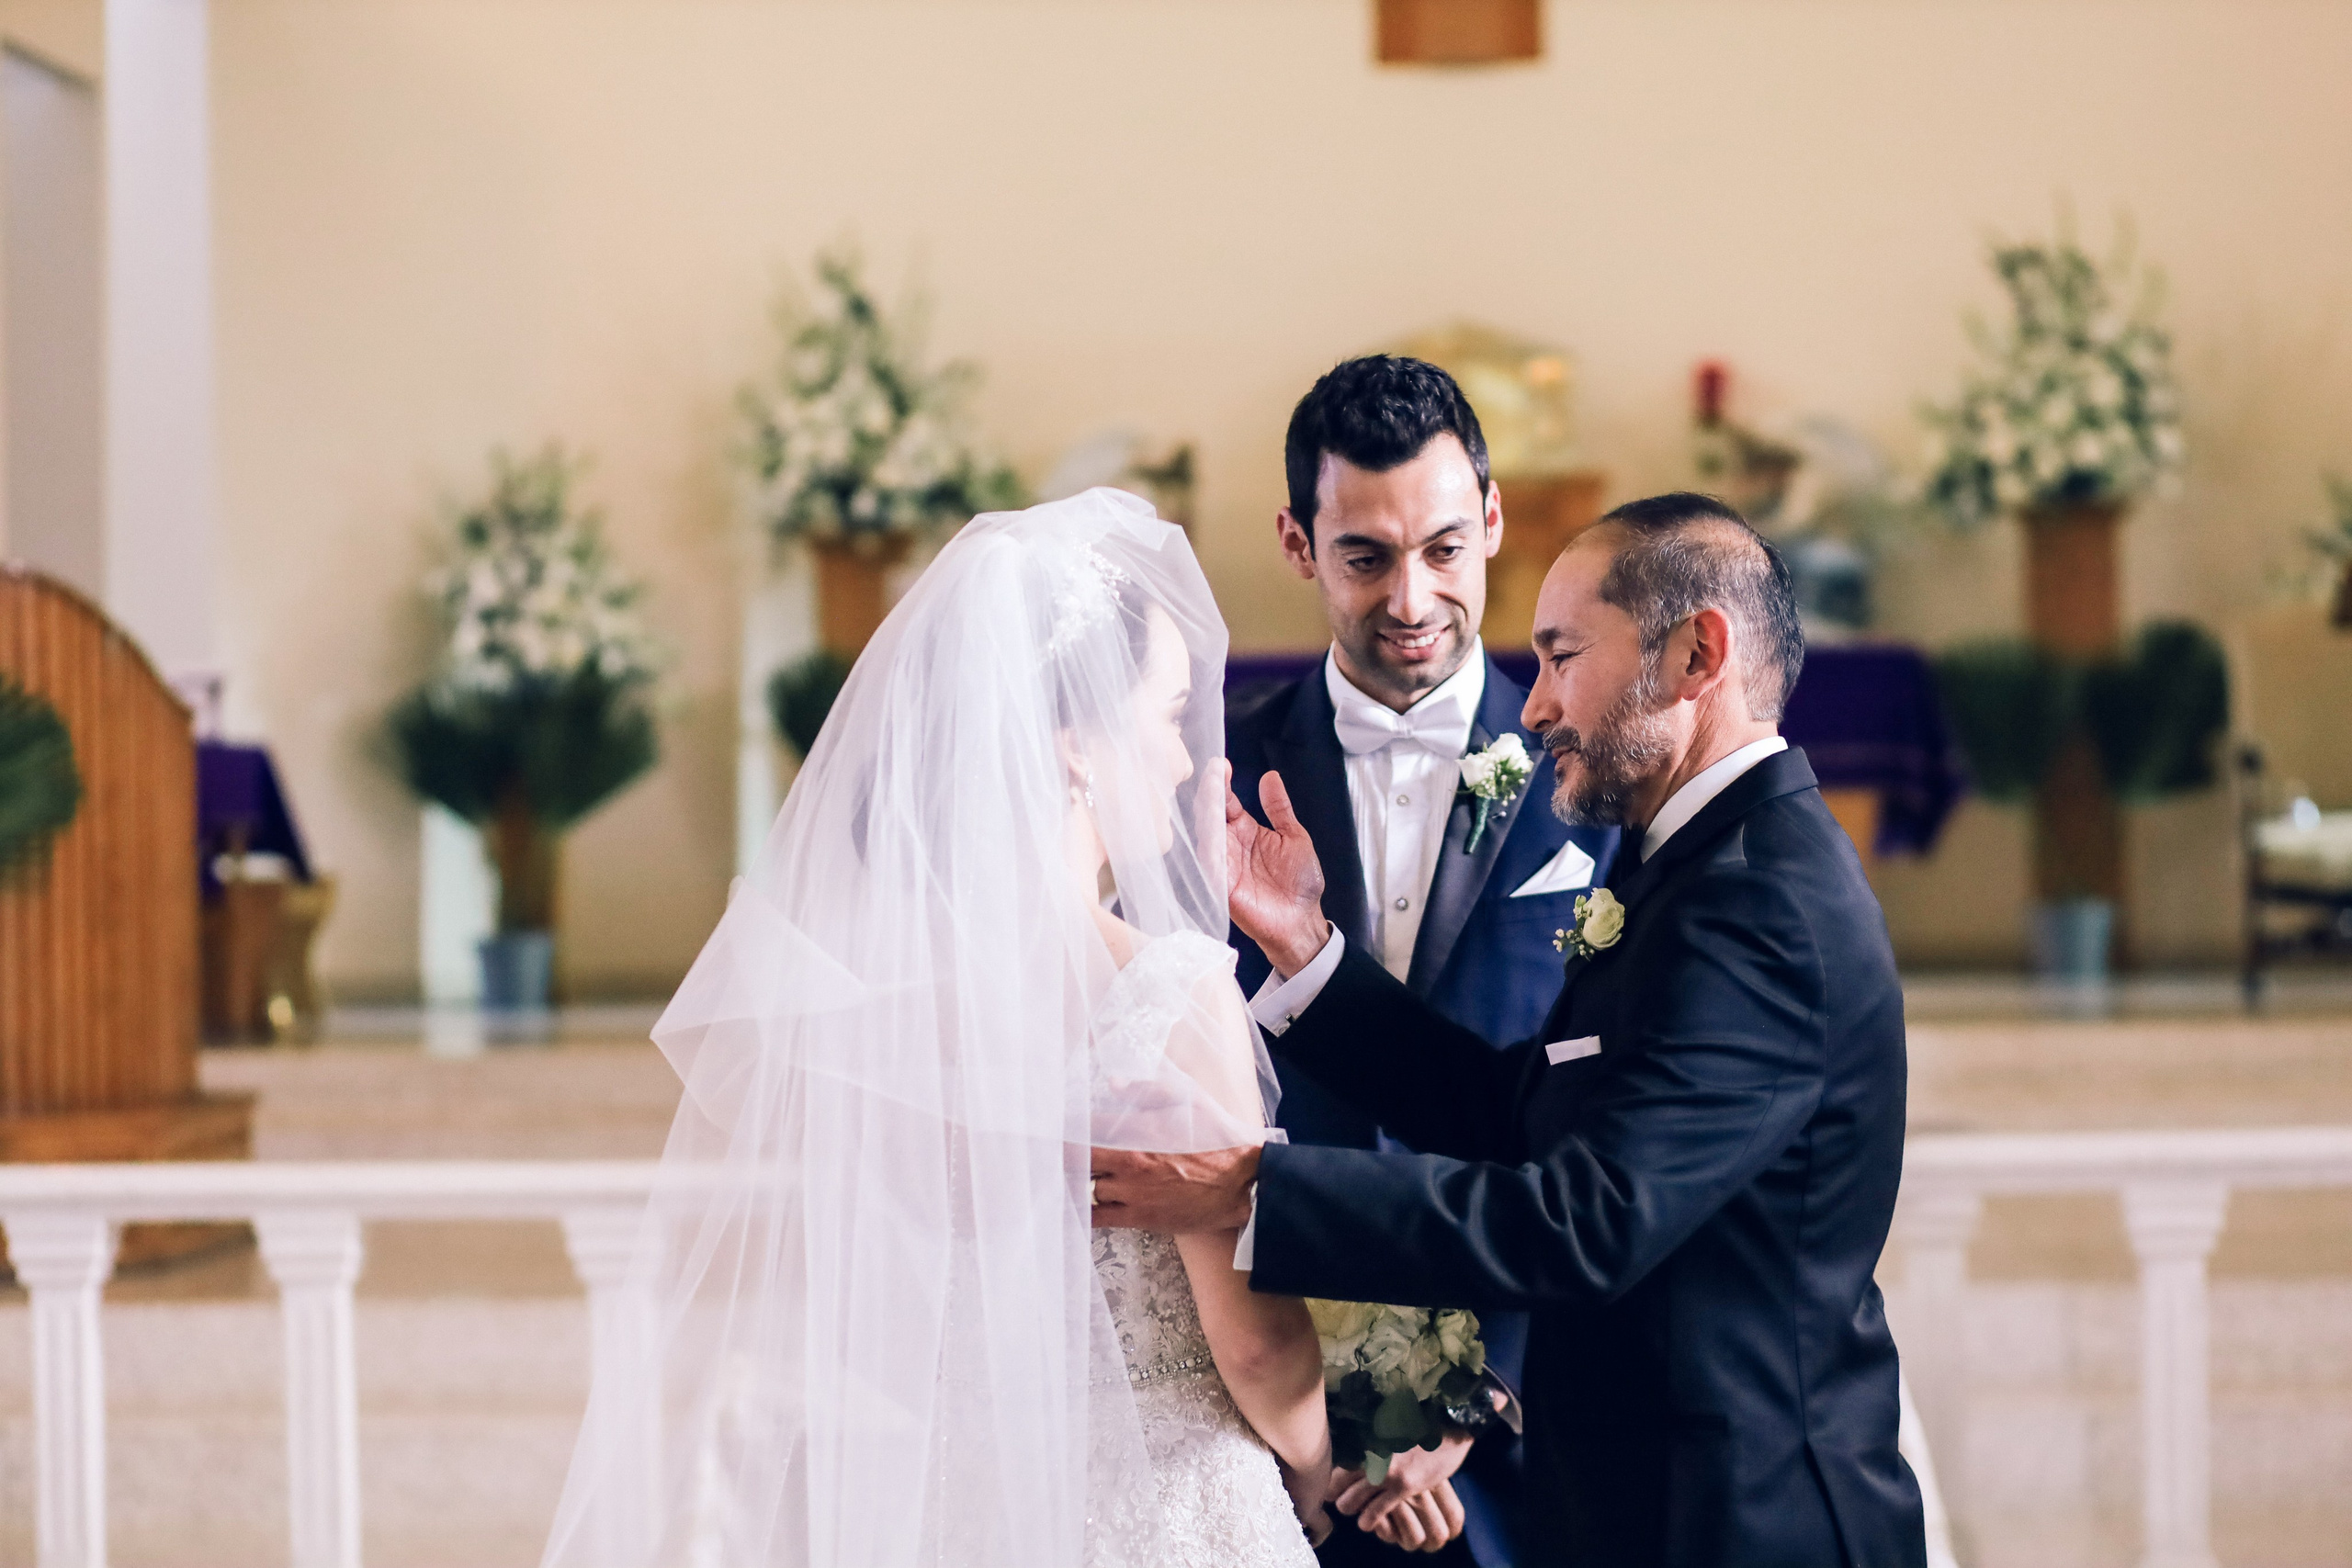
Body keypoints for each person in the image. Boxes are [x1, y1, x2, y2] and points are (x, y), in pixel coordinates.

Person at [1094, 493, 1928, 1568]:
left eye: (1560, 656)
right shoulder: (1699, 867)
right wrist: (1307, 950)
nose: (1531, 711)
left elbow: (1588, 1218)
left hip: (1739, 1518)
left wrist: (1251, 1188)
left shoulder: (1758, 901)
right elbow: (1525, 1112)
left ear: (1695, 653)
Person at [542, 489, 1330, 1568]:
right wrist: (1325, 1465)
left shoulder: (868, 1009)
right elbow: (1251, 1341)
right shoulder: (1169, 992)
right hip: (1163, 1507)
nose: (1190, 755)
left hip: (955, 1505)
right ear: (1076, 747)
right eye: (1164, 714)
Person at [1226, 355, 1619, 1563]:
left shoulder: (1598, 778)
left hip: (1533, 1400)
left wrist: (1457, 1390)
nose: (1412, 595)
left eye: (1445, 549)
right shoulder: (1215, 782)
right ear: (1299, 542)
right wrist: (1316, 1423)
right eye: (1366, 556)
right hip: (1277, 1417)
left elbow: (1602, 1112)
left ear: (1495, 522)